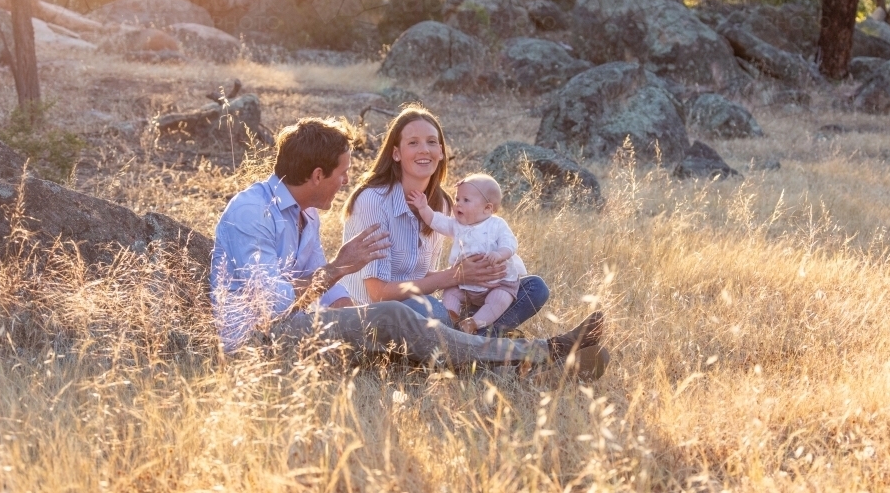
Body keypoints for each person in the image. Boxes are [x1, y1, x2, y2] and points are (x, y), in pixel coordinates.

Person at [210, 117, 608, 379]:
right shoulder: (252, 214)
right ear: (317, 175)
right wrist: (342, 269)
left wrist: (363, 322)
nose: (346, 180)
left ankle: (532, 363)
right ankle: (544, 352)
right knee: (406, 316)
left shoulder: (305, 213)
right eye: (342, 172)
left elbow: (327, 289)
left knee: (402, 329)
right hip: (261, 341)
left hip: (305, 326)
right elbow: (273, 305)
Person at [339, 107, 549, 336]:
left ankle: (477, 338)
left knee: (533, 289)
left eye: (431, 142)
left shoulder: (444, 205)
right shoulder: (374, 201)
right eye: (413, 143)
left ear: (440, 152)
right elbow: (378, 292)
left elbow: (422, 274)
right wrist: (456, 275)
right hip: (373, 314)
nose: (424, 150)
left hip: (417, 302)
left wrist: (480, 272)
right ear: (396, 153)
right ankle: (485, 345)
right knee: (436, 315)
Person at [406, 173, 524, 334]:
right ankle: (450, 317)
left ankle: (474, 323)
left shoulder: (497, 224)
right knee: (451, 292)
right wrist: (423, 208)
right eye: (457, 199)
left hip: (496, 283)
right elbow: (436, 221)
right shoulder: (456, 225)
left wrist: (500, 254)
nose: (458, 205)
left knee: (500, 300)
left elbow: (510, 243)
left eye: (465, 200)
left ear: (487, 208)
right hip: (465, 283)